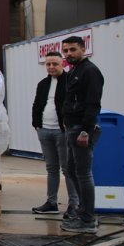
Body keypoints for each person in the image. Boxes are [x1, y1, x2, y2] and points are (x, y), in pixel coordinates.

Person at [60, 36, 104, 234]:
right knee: (71, 169)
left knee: (84, 173)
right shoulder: (74, 71)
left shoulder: (90, 71)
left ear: (83, 49)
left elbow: (93, 103)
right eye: (66, 50)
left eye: (73, 50)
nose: (69, 54)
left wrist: (86, 130)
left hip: (81, 129)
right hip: (72, 128)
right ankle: (82, 210)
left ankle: (87, 219)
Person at [31, 51, 79, 217]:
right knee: (51, 168)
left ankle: (74, 204)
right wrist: (36, 124)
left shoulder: (70, 81)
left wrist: (69, 127)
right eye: (48, 64)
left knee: (68, 169)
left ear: (63, 64)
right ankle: (52, 202)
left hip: (62, 132)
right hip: (44, 130)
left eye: (55, 64)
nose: (51, 67)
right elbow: (37, 104)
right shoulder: (42, 84)